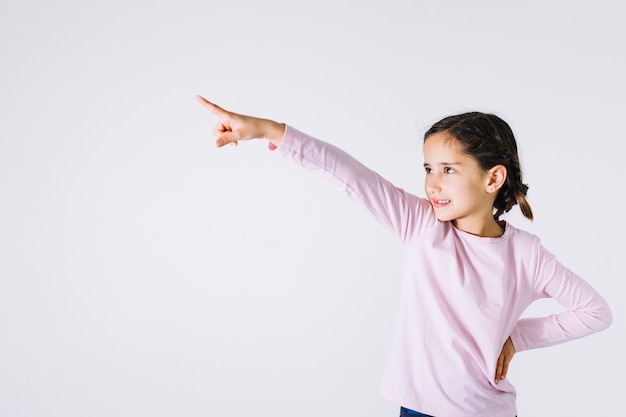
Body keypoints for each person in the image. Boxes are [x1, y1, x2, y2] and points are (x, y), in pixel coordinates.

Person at [196, 95, 612, 417]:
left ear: (493, 177)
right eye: (428, 169)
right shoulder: (422, 224)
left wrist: (516, 338)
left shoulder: (526, 254)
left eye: (448, 169)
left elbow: (595, 312)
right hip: (418, 408)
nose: (433, 183)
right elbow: (350, 176)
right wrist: (271, 130)